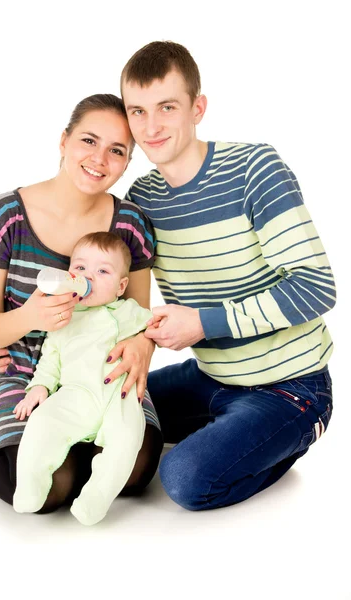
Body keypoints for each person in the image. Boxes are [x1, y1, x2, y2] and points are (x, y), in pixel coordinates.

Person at [117, 41, 336, 511]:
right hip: (210, 377)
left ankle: (290, 437)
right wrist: (13, 322)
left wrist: (202, 323)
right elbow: (104, 271)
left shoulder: (256, 168)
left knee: (185, 480)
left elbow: (316, 287)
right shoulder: (142, 197)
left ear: (198, 108)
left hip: (290, 386)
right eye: (137, 110)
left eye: (166, 107)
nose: (150, 127)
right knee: (102, 406)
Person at [0, 94, 163, 513]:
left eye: (117, 150)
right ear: (63, 141)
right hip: (28, 379)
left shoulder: (129, 224)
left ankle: (82, 448)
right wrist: (28, 317)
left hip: (109, 378)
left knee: (137, 472)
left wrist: (143, 345)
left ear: (127, 162)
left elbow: (141, 323)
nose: (99, 158)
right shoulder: (5, 216)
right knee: (49, 488)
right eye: (88, 141)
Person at [13, 232, 153, 525]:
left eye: (102, 271)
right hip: (75, 394)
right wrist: (40, 385)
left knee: (127, 439)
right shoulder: (65, 315)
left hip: (119, 395)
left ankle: (94, 502)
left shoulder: (128, 311)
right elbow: (51, 356)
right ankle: (29, 488)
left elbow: (156, 327)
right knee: (42, 425)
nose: (88, 276)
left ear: (120, 286)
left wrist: (147, 339)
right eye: (80, 268)